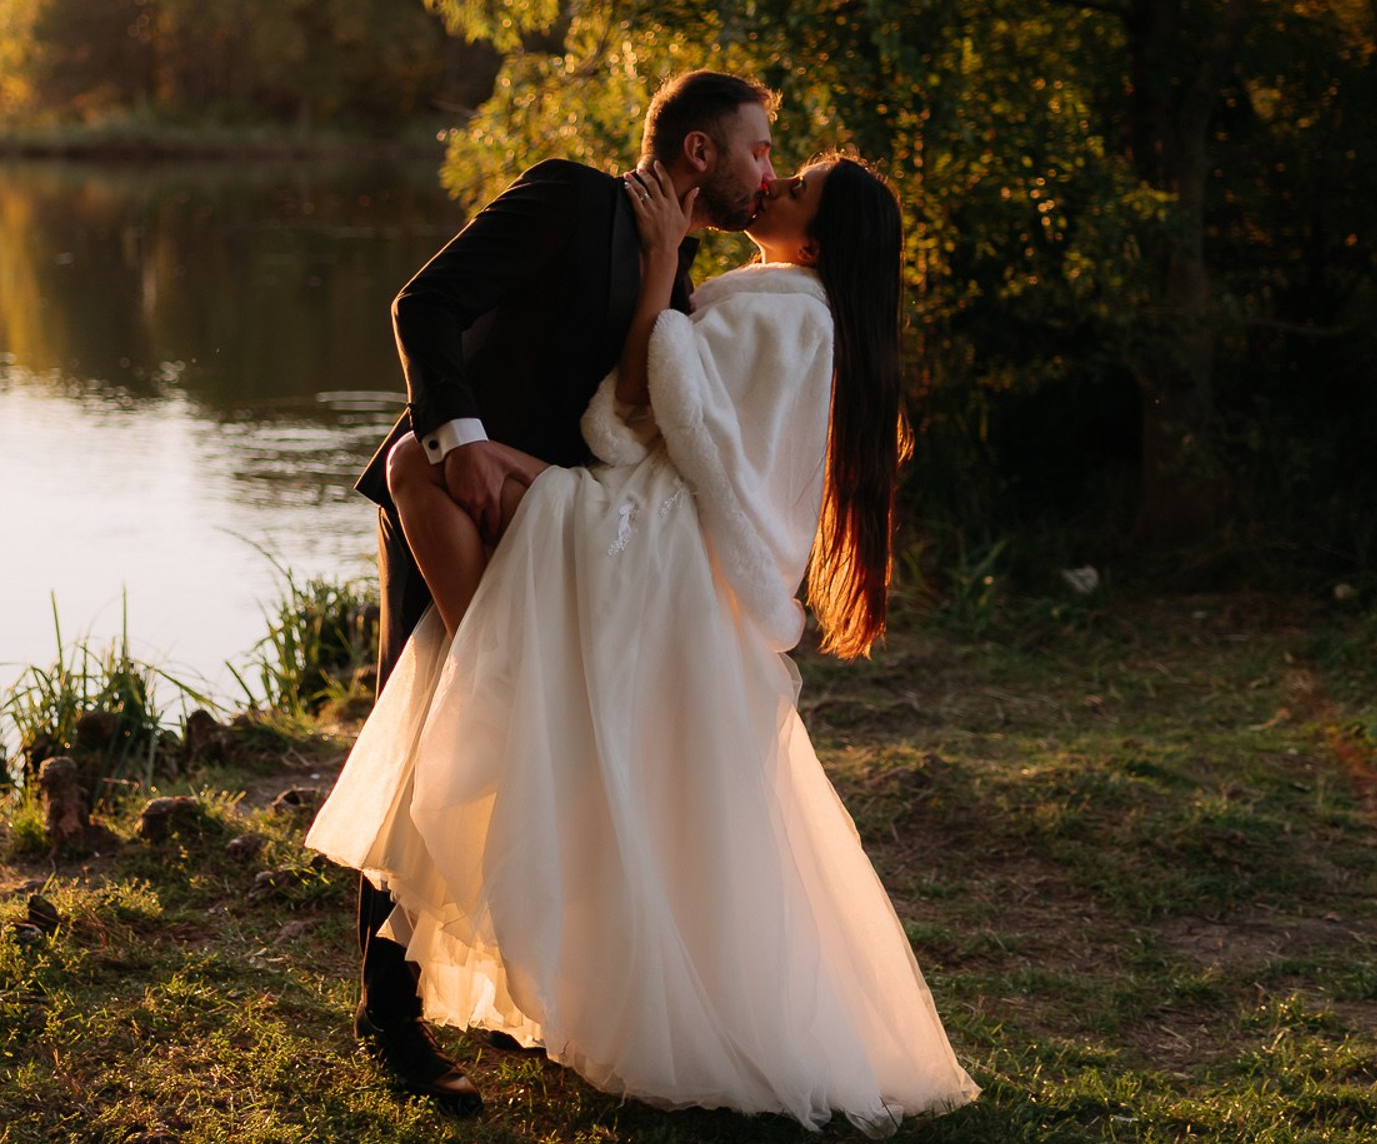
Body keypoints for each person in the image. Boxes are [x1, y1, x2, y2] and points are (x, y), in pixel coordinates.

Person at [309, 153, 981, 1134]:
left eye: (791, 187)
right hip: (684, 548)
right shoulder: (818, 323)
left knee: (416, 459)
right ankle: (500, 675)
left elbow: (648, 407)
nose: (771, 185)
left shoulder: (774, 305)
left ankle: (498, 673)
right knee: (427, 475)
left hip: (649, 529)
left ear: (818, 237)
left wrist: (663, 259)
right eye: (772, 165)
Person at [344, 70, 777, 1111]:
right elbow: (424, 304)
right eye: (758, 147)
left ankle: (532, 994)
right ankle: (390, 1022)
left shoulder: (673, 281)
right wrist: (460, 440)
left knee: (550, 752)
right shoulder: (571, 196)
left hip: (559, 530)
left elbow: (626, 417)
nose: (769, 168)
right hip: (448, 496)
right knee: (431, 730)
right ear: (699, 153)